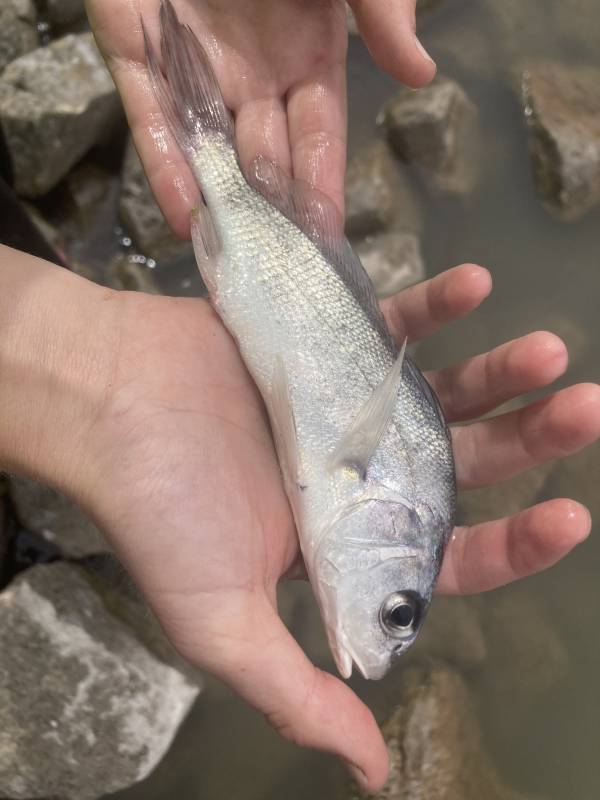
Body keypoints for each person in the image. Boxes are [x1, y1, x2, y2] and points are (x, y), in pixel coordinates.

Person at [0, 0, 597, 792]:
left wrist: (82, 379)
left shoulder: (351, 504)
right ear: (394, 522)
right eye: (395, 613)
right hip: (272, 269)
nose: (379, 642)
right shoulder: (366, 485)